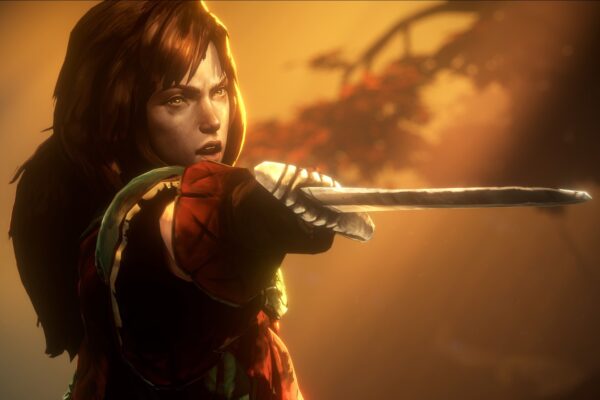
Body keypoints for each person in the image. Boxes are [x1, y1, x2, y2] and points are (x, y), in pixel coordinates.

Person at [10, 2, 370, 399]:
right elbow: (189, 227)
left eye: (219, 91)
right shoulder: (136, 218)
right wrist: (265, 209)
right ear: (120, 111)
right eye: (177, 99)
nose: (212, 119)